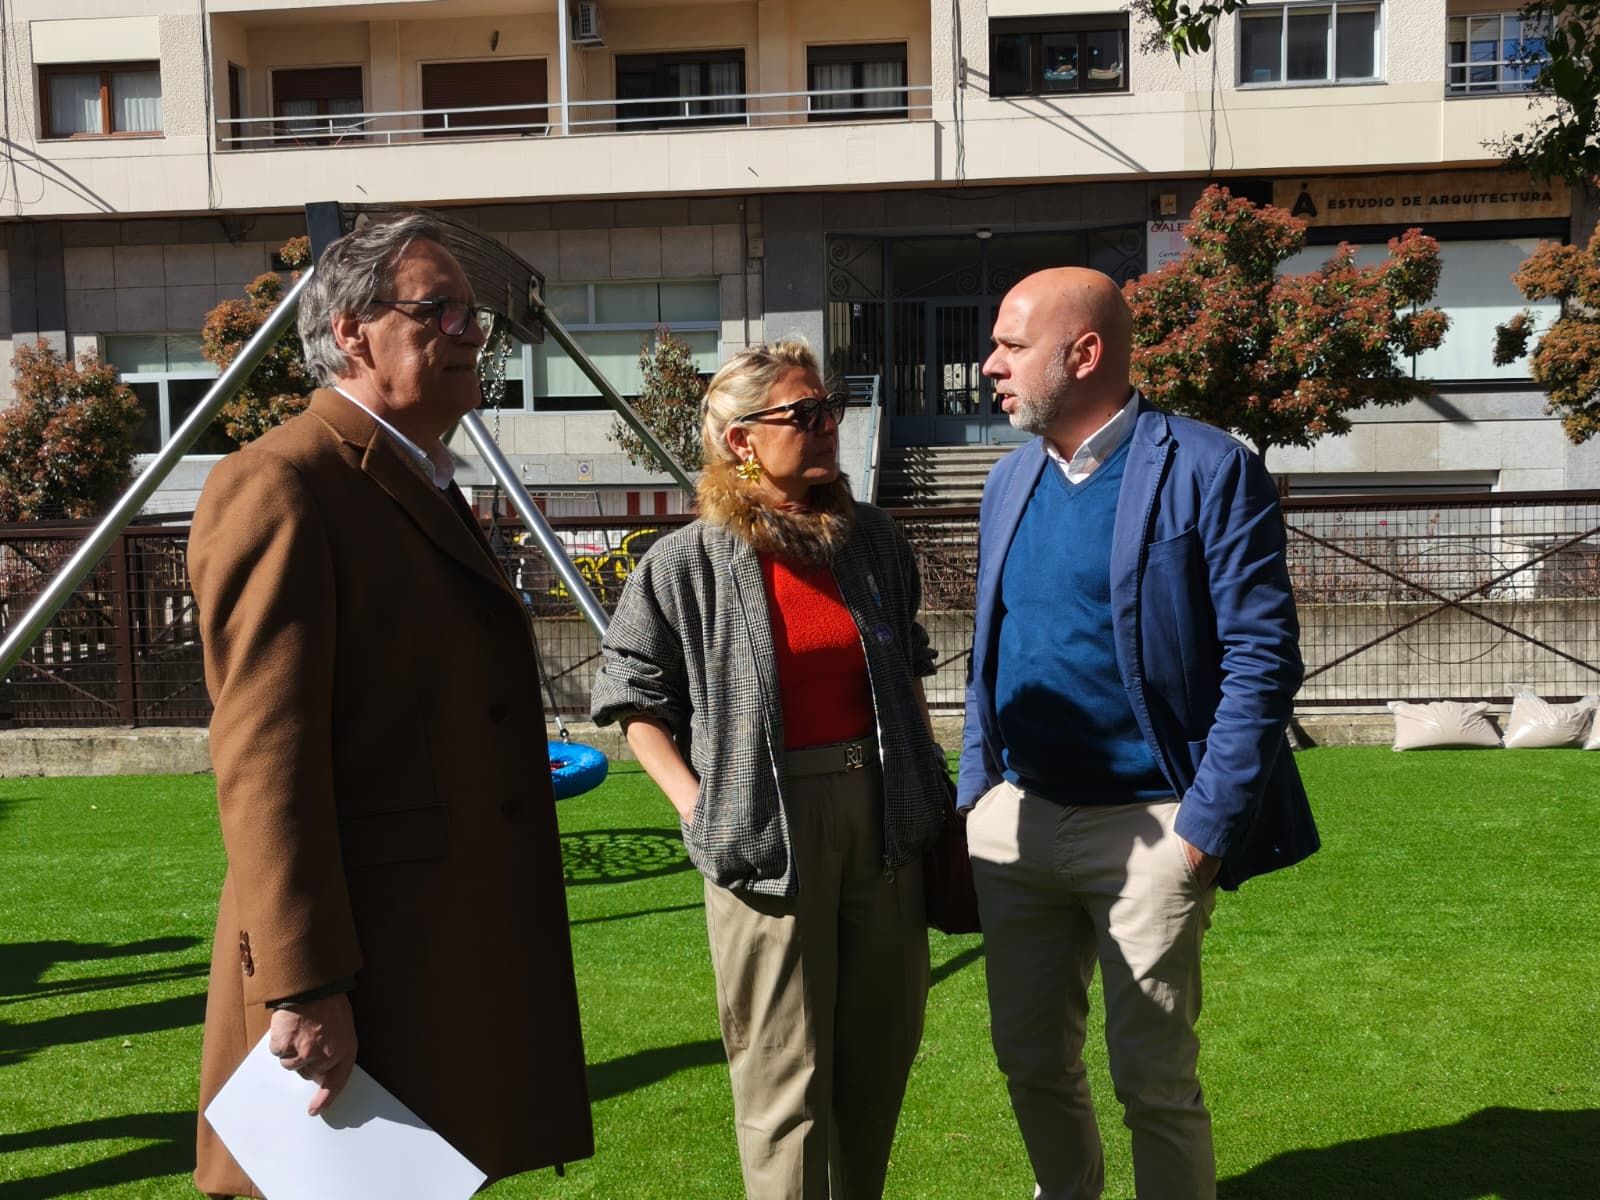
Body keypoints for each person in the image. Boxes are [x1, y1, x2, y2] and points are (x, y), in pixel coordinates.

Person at [189, 213, 592, 1197]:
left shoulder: (417, 476)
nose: (468, 332)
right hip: (363, 969)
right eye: (436, 310)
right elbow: (264, 763)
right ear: (351, 334)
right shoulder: (282, 485)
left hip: (441, 956)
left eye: (473, 313)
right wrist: (305, 981)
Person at [959, 267, 1320, 1200]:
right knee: (1030, 1061)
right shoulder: (1007, 480)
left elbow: (1262, 660)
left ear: (1083, 354)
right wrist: (976, 800)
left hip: (1154, 825)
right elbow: (986, 655)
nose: (989, 363)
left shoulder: (1207, 466)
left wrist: (1202, 831)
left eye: (1011, 343)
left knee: (1153, 1083)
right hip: (1019, 822)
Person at [591, 340, 947, 1200]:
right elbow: (634, 700)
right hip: (762, 820)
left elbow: (904, 674)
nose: (828, 428)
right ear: (740, 439)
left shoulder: (873, 546)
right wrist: (699, 807)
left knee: (880, 1047)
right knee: (781, 1068)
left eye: (829, 410)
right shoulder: (687, 562)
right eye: (805, 415)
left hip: (885, 813)